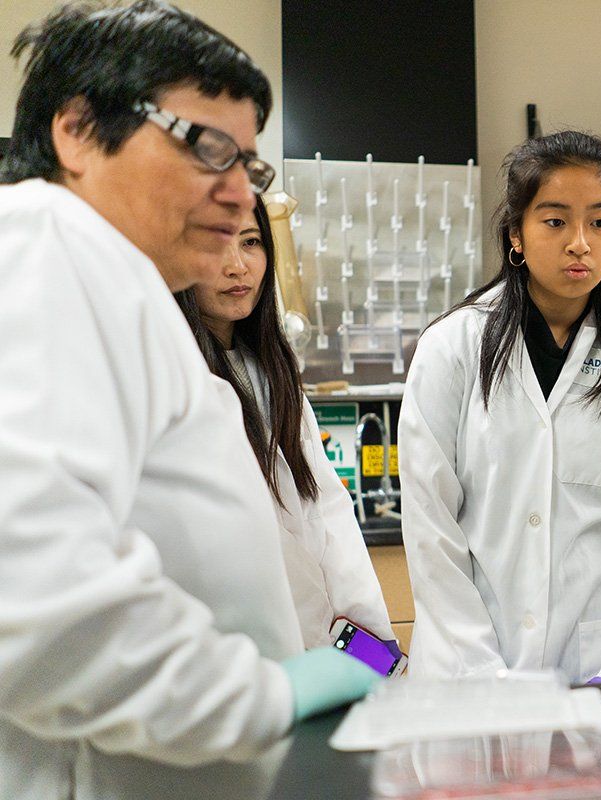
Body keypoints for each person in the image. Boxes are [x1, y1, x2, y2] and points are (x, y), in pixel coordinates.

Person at [0, 3, 378, 798]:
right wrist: (259, 700)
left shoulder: (116, 285)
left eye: (250, 165)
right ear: (76, 131)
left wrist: (353, 661)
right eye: (208, 148)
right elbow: (31, 591)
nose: (242, 197)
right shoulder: (46, 244)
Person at [399, 131, 601, 684]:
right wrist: (479, 669)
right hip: (469, 667)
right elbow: (431, 525)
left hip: (592, 670)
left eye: (599, 222)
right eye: (555, 221)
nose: (580, 242)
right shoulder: (453, 347)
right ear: (516, 235)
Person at [174, 195, 399, 653]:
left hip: (318, 645)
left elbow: (328, 515)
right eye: (217, 245)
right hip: (236, 654)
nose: (238, 266)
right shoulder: (176, 381)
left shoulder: (274, 373)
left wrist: (377, 652)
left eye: (251, 242)